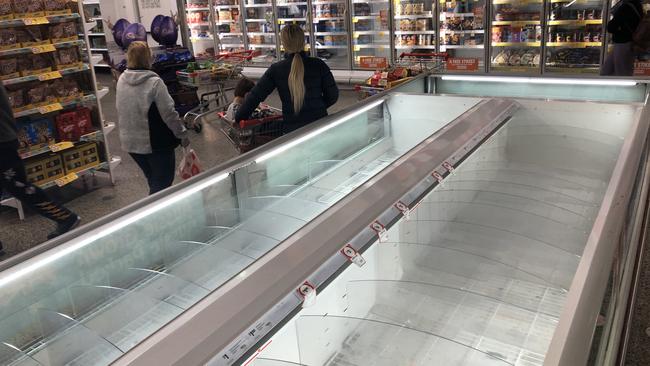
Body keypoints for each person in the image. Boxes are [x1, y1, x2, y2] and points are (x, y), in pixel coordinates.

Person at [0, 86, 80, 251]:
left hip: (2, 143)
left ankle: (65, 217)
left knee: (18, 186)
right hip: (4, 139)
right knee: (17, 185)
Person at [235, 24, 339, 134]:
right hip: (320, 126)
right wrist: (318, 107)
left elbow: (255, 96)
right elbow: (333, 96)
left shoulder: (276, 70)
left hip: (292, 131)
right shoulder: (319, 65)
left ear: (284, 44)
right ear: (303, 41)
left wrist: (239, 117)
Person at [116, 41, 189, 195]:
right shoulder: (154, 83)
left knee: (154, 180)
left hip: (130, 142)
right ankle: (155, 216)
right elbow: (169, 114)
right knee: (161, 185)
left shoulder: (122, 79)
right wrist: (182, 134)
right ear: (149, 58)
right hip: (156, 143)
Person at [603, 0, 644, 76]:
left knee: (621, 74)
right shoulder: (637, 6)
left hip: (623, 43)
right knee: (611, 71)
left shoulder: (626, 7)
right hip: (628, 43)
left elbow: (611, 27)